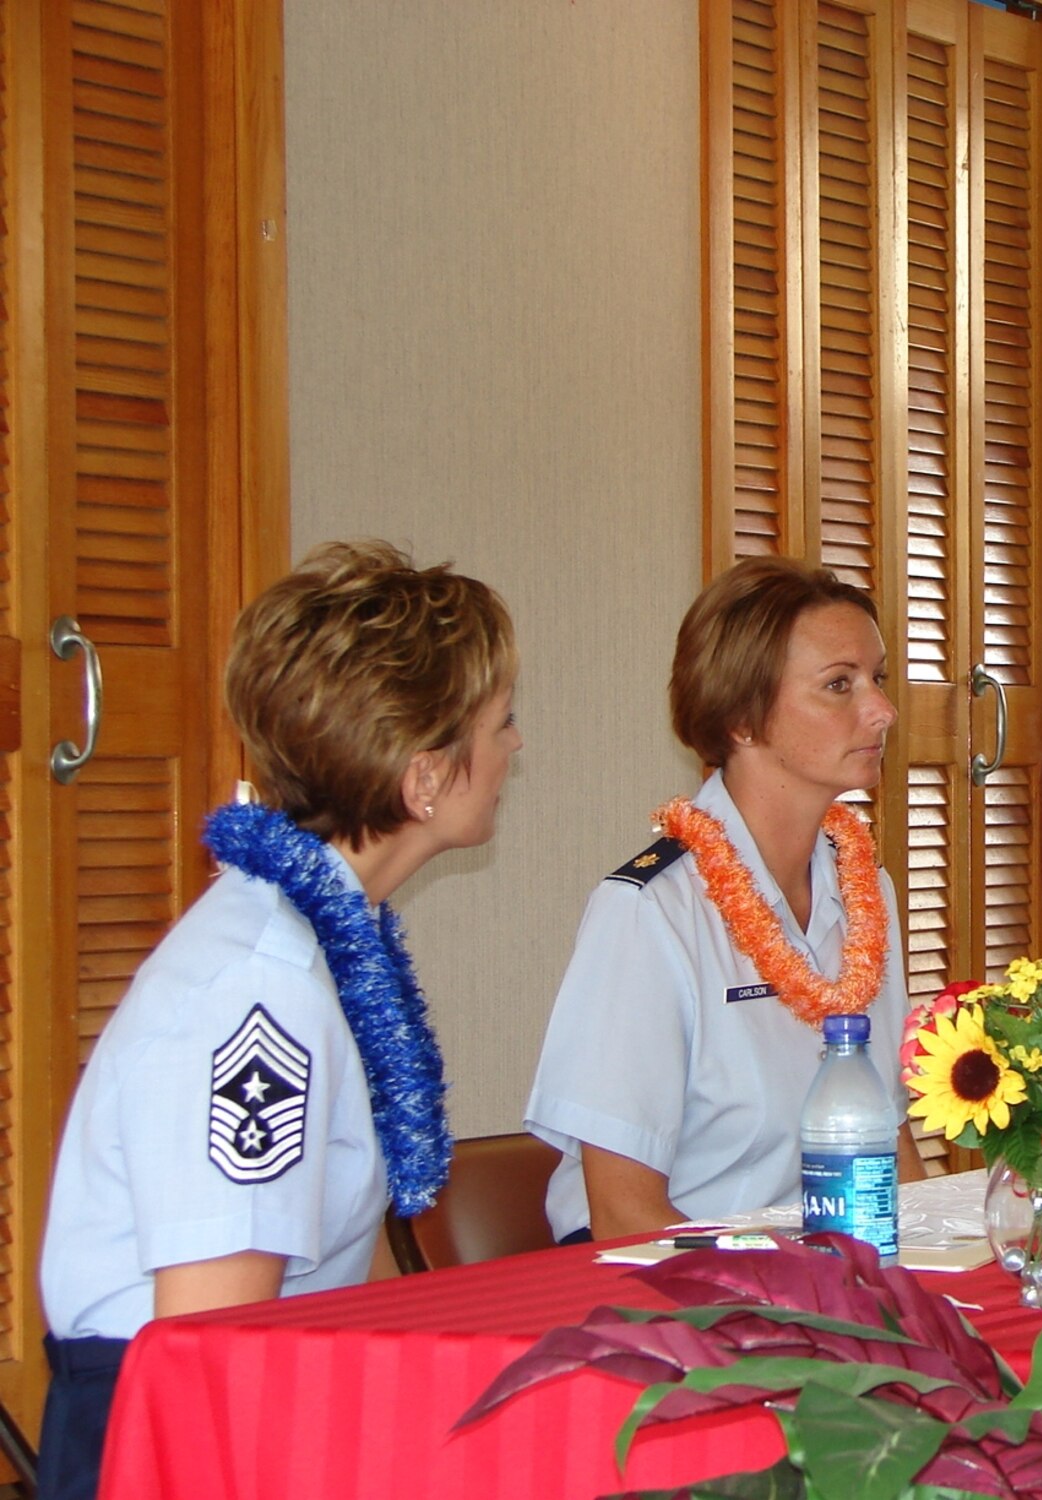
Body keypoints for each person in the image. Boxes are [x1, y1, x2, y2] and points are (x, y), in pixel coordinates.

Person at [38, 541, 520, 1500]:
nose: (516, 750)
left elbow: (351, 1267)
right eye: (504, 724)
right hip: (170, 1440)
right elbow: (212, 1344)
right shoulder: (260, 994)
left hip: (286, 1399)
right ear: (424, 778)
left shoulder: (331, 940)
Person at [526, 556, 916, 1243]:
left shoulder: (867, 893)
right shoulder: (652, 912)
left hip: (834, 1287)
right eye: (838, 685)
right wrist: (795, 1292)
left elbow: (887, 1148)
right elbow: (621, 1217)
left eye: (877, 679)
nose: (882, 710)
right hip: (675, 1292)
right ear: (742, 718)